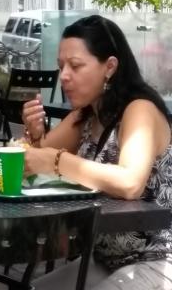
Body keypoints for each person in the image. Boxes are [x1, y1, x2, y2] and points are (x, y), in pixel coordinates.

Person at [21, 15, 172, 289]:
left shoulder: (139, 109)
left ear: (110, 67)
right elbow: (34, 160)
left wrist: (56, 161)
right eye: (61, 66)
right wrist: (34, 136)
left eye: (76, 66)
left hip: (160, 258)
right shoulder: (86, 115)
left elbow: (130, 183)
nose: (64, 75)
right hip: (109, 258)